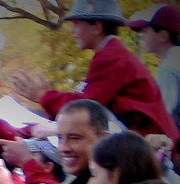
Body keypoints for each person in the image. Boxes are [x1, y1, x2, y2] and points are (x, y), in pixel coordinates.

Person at [13, 0, 179, 143]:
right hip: (148, 142)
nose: (73, 31)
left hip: (155, 149)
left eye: (77, 24)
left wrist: (43, 97)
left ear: (97, 27)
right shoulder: (111, 53)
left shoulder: (113, 56)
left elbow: (86, 108)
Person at [128, 3, 180, 132]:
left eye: (145, 31)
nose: (142, 37)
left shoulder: (168, 69)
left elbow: (163, 116)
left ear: (163, 36)